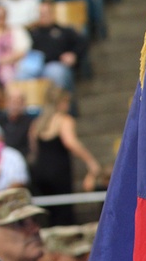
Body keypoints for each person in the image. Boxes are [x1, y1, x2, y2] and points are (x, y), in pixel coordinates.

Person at [28, 85, 103, 224]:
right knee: (63, 213)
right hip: (58, 171)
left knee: (47, 213)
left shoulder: (37, 123)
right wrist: (90, 161)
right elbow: (70, 142)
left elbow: (34, 149)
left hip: (39, 171)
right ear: (60, 102)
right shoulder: (64, 120)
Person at [22, 1, 88, 92]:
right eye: (40, 14)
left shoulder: (64, 31)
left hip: (55, 63)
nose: (43, 16)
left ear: (52, 14)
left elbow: (82, 42)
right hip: (34, 64)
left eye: (46, 13)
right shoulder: (32, 33)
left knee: (55, 72)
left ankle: (59, 103)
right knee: (21, 74)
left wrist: (73, 54)